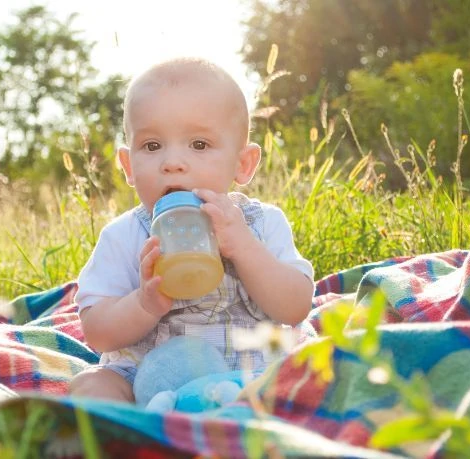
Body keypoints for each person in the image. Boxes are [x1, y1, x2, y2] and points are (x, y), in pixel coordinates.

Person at [70, 57, 315, 402]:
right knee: (93, 385)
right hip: (148, 379)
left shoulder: (261, 223)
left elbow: (295, 307)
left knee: (315, 372)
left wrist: (244, 247)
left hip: (251, 372)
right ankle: (134, 430)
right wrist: (143, 303)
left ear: (242, 164)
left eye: (199, 144)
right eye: (152, 146)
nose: (172, 163)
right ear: (128, 165)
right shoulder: (124, 235)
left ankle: (232, 415)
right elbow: (98, 333)